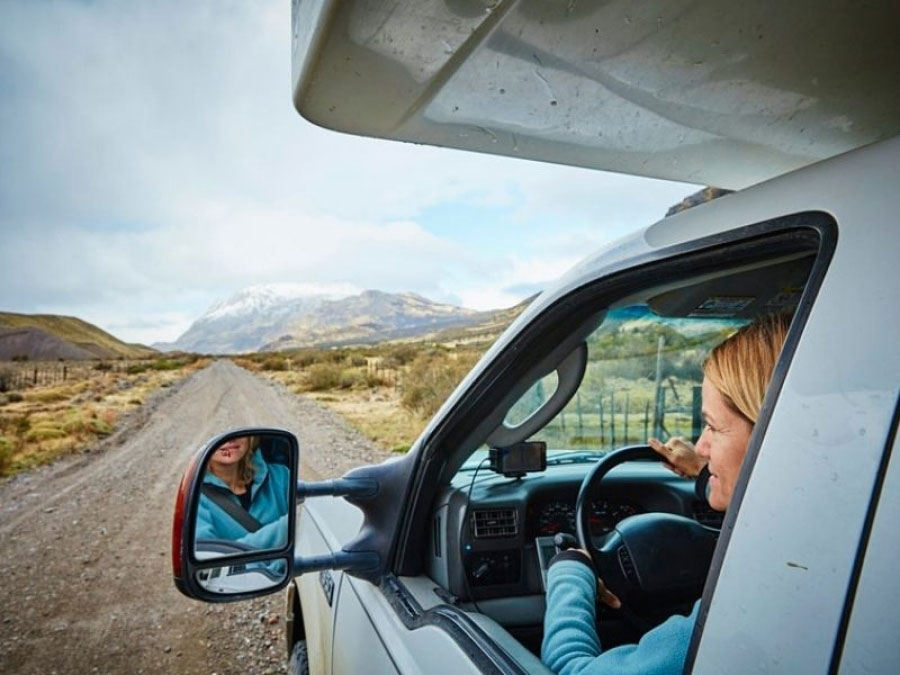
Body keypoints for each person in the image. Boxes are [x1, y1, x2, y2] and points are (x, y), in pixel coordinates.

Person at [541, 313, 792, 675]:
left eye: (712, 426)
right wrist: (705, 473)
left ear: (772, 437)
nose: (701, 446)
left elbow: (570, 669)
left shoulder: (754, 601)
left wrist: (570, 572)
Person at [194, 434, 292, 551]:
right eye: (218, 433)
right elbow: (209, 556)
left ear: (251, 438)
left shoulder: (281, 475)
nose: (231, 438)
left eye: (237, 430)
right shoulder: (194, 497)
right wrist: (288, 525)